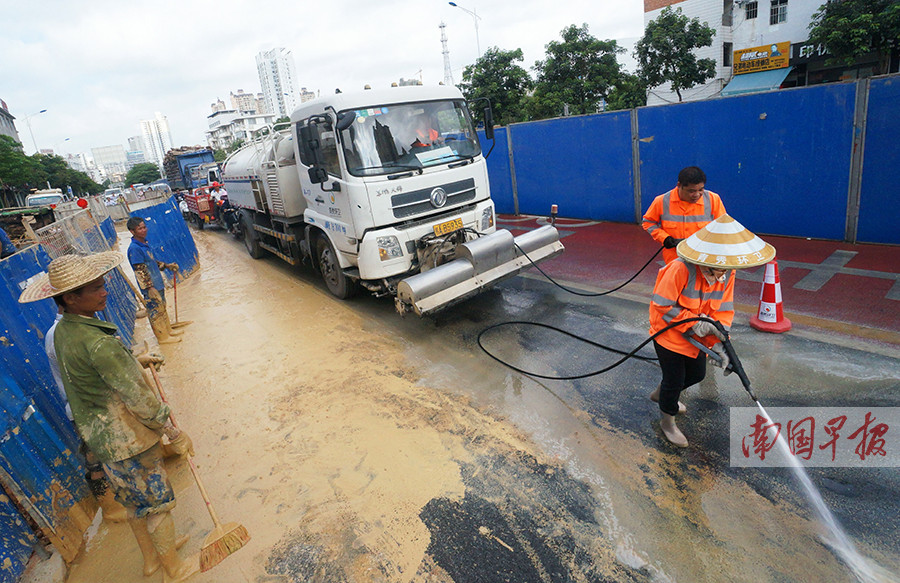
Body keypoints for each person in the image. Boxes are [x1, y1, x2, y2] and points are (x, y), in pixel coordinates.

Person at [19, 252, 197, 581]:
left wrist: (134, 362)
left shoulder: (61, 333)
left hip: (100, 437)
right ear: (71, 298)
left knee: (132, 503)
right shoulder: (99, 342)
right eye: (96, 289)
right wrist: (170, 430)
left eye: (103, 285)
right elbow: (139, 399)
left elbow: (95, 375)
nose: (104, 292)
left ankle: (153, 560)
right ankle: (174, 567)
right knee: (158, 503)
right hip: (128, 437)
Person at [648, 214, 775, 447]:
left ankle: (661, 393)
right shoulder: (679, 269)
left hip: (697, 336)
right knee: (674, 380)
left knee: (696, 375)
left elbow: (724, 310)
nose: (724, 273)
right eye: (721, 267)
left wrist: (720, 342)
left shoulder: (726, 273)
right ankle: (668, 422)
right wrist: (695, 323)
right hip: (668, 333)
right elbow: (661, 305)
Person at [642, 166, 726, 264]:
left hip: (703, 259)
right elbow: (648, 222)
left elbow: (723, 227)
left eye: (701, 190)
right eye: (691, 191)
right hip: (674, 260)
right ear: (679, 185)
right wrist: (664, 238)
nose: (697, 195)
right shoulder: (662, 201)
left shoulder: (713, 200)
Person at [126, 217, 189, 344]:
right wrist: (149, 288)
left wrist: (167, 266)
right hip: (151, 287)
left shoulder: (144, 244)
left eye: (144, 227)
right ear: (132, 231)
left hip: (157, 283)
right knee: (155, 310)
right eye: (140, 228)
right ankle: (162, 337)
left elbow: (152, 262)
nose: (144, 230)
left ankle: (168, 330)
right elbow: (140, 270)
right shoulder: (135, 248)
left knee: (162, 307)